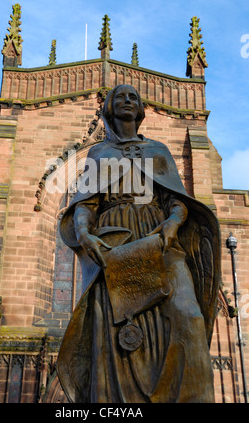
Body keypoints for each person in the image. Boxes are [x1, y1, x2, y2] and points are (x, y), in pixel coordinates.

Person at [56, 84, 221, 403]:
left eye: (134, 97)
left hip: (158, 238)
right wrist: (85, 233)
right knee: (114, 335)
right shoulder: (99, 153)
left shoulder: (158, 151)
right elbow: (86, 205)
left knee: (189, 318)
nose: (128, 101)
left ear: (141, 108)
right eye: (120, 97)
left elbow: (176, 199)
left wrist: (174, 221)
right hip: (115, 244)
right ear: (109, 109)